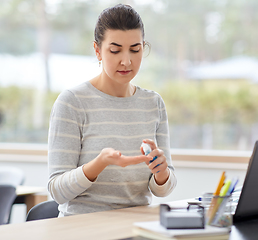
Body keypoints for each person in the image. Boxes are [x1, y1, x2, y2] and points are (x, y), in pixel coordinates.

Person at [47, 3, 177, 217]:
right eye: (115, 50)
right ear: (98, 50)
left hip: (137, 225)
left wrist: (161, 173)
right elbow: (57, 191)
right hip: (85, 228)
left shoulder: (153, 103)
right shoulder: (72, 102)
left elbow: (163, 188)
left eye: (135, 50)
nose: (126, 61)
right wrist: (99, 164)